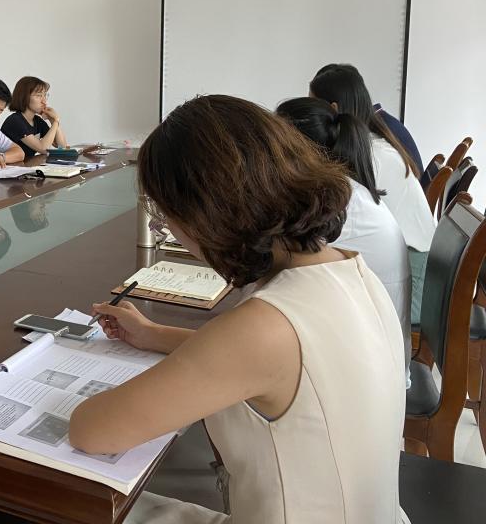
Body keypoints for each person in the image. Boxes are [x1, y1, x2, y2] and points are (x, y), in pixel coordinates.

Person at [68, 96, 409, 524]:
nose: (166, 229)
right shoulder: (349, 269)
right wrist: (153, 334)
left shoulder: (263, 326)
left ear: (203, 212)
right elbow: (280, 364)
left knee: (73, 506)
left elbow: (90, 430)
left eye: (164, 216)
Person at [276, 97, 410, 344]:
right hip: (375, 340)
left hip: (372, 352)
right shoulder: (347, 190)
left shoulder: (337, 203)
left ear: (295, 150)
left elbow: (280, 266)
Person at [309, 63, 434, 325]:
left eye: (312, 104)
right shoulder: (374, 140)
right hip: (411, 263)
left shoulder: (373, 156)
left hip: (415, 282)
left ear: (333, 109)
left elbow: (336, 224)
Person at [1, 76, 69, 160]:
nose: (44, 101)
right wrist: (55, 122)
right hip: (8, 166)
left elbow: (62, 147)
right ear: (24, 97)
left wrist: (53, 121)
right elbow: (43, 148)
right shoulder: (15, 121)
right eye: (39, 95)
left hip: (25, 165)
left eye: (45, 95)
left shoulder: (37, 120)